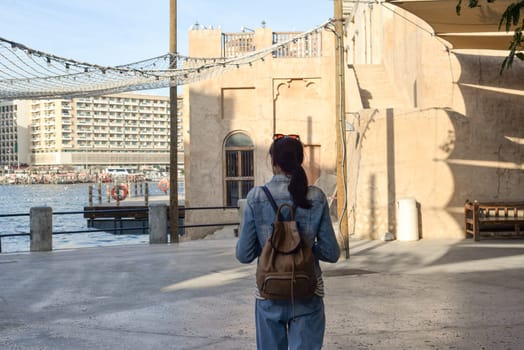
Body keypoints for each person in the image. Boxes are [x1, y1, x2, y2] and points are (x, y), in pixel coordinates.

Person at [236, 133, 340, 350]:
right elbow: (331, 252)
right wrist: (305, 246)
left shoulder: (256, 197)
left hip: (268, 293)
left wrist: (270, 246)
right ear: (300, 161)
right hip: (308, 291)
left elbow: (244, 255)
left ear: (273, 163)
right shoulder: (316, 196)